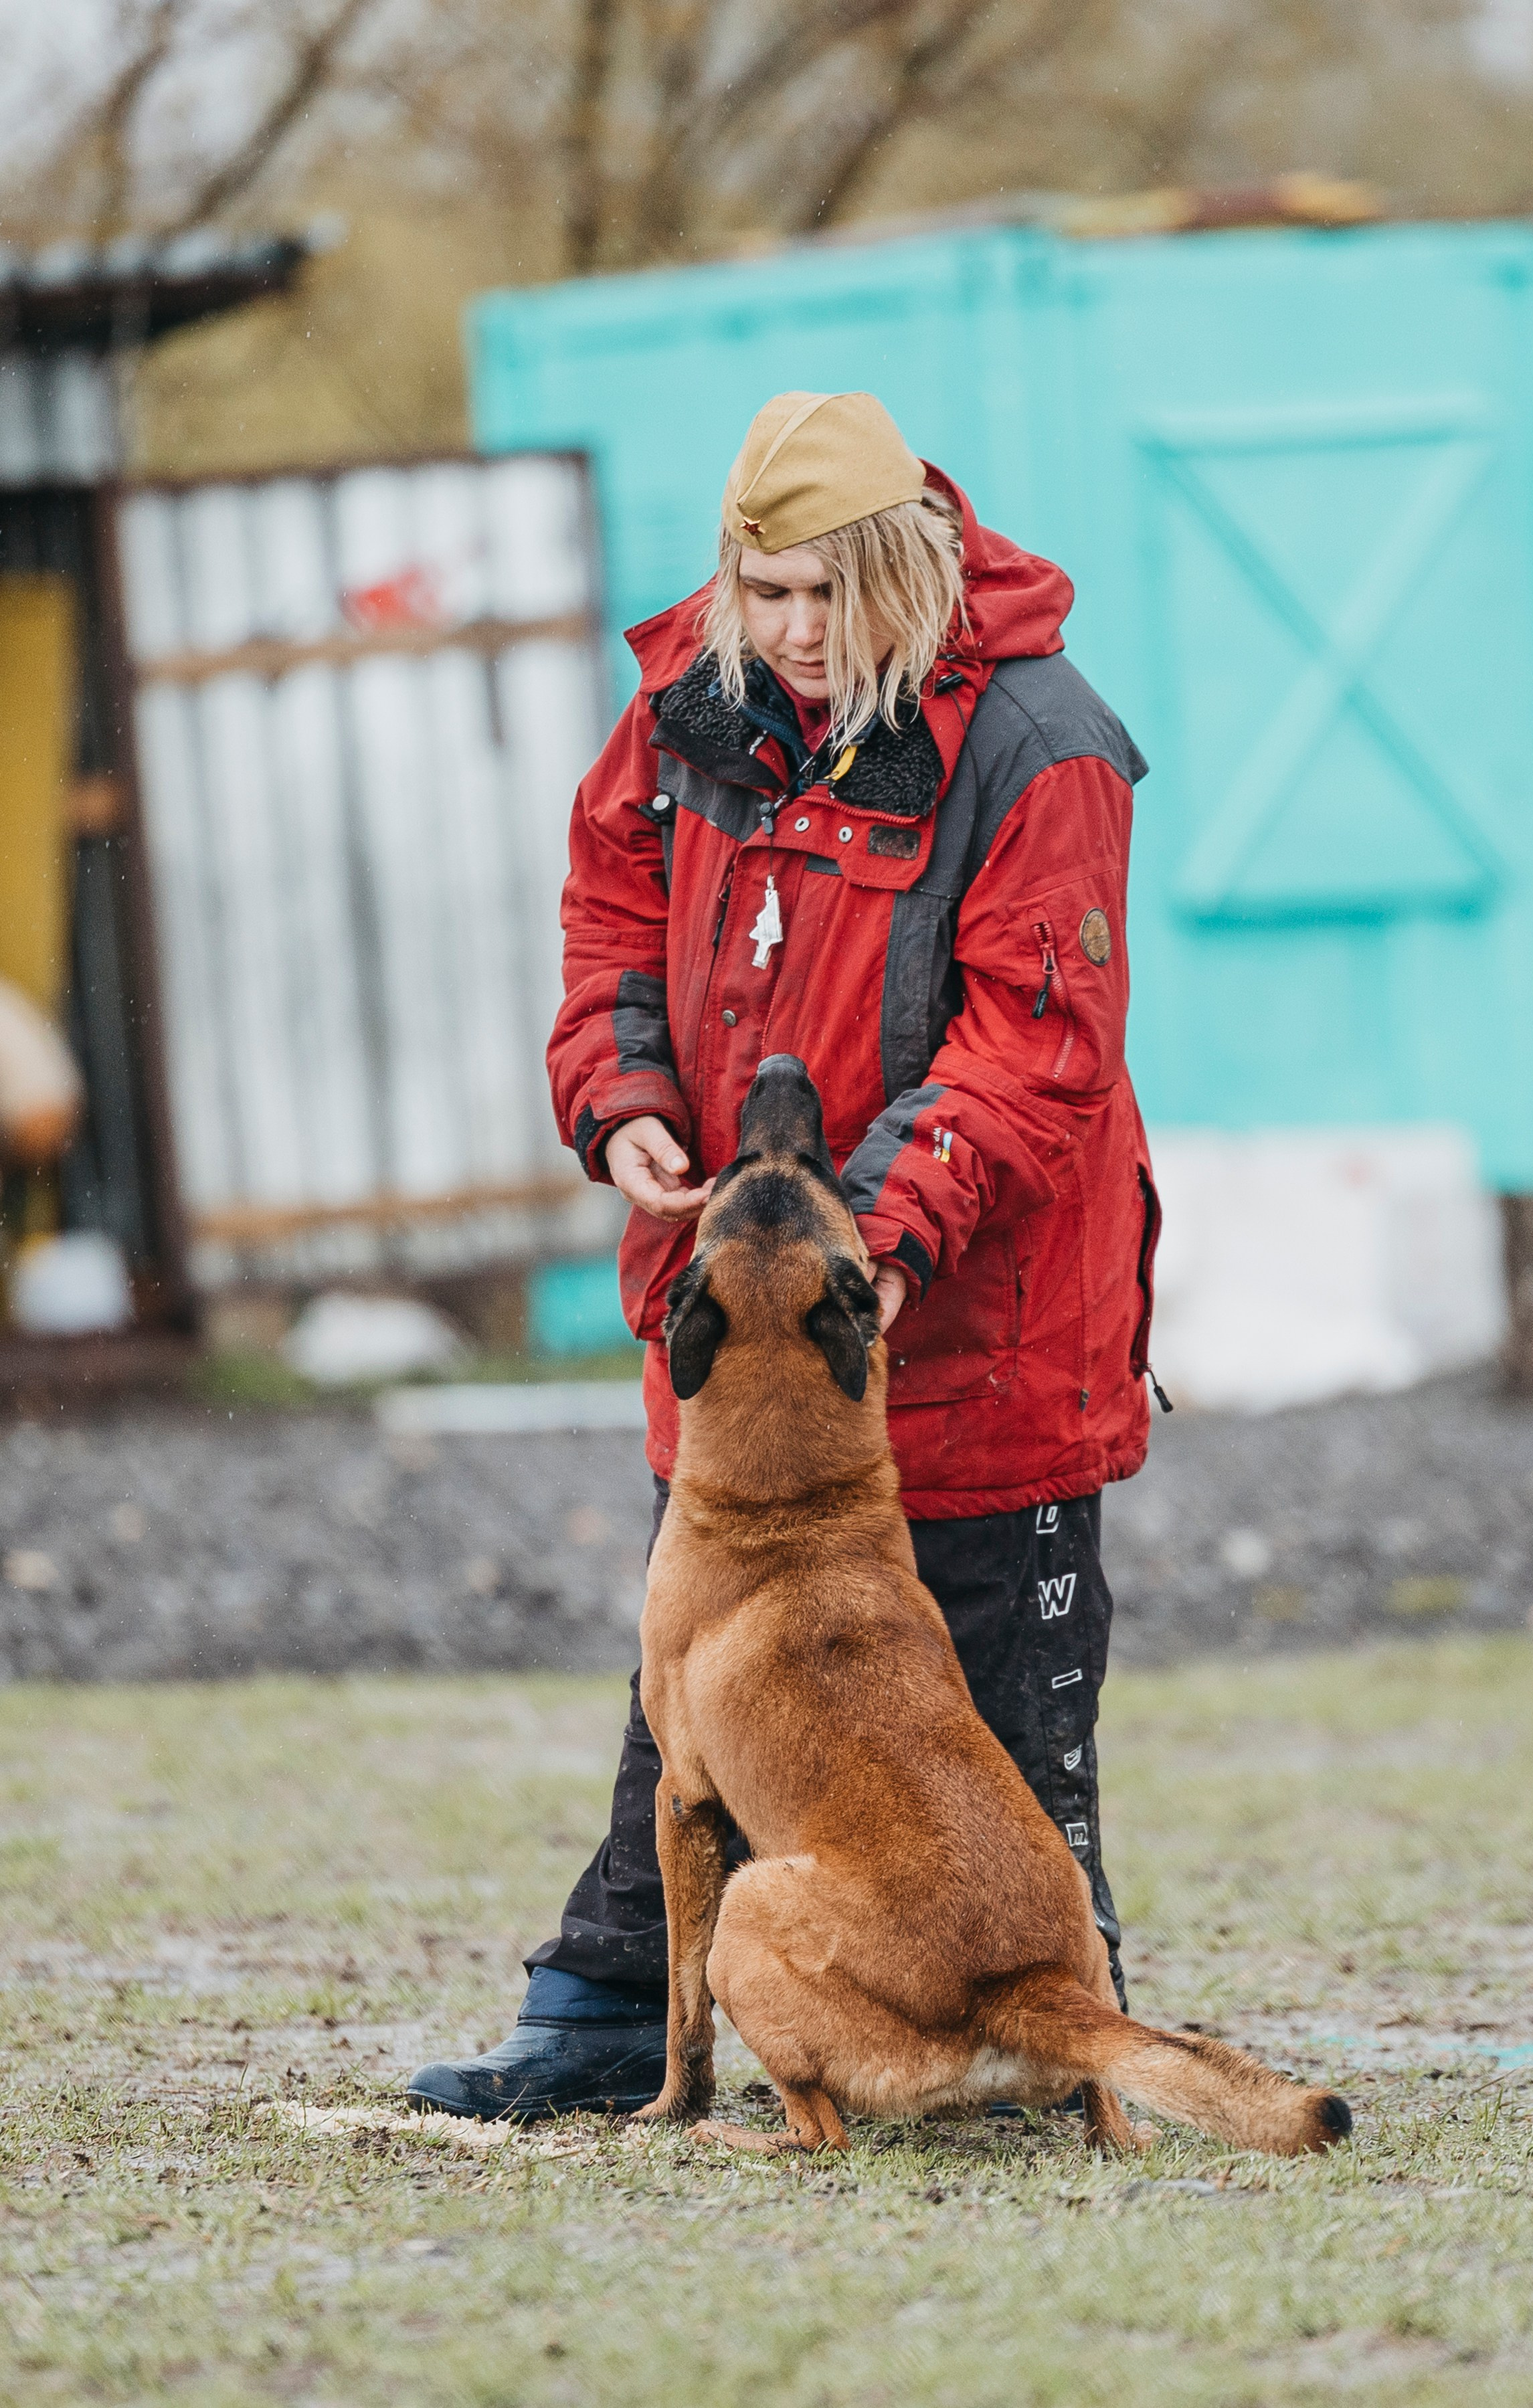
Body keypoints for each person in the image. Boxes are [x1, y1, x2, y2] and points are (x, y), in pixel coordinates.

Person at [410, 390, 1161, 2121]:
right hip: (744, 1318)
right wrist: (619, 1097)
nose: (800, 634)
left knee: (996, 1714)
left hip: (982, 1319)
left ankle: (1061, 2033)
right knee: (698, 1675)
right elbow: (609, 914)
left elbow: (1039, 1043)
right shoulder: (689, 699)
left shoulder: (1039, 739)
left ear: (909, 571)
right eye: (769, 594)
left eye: (835, 595)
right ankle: (617, 2001)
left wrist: (876, 1237)